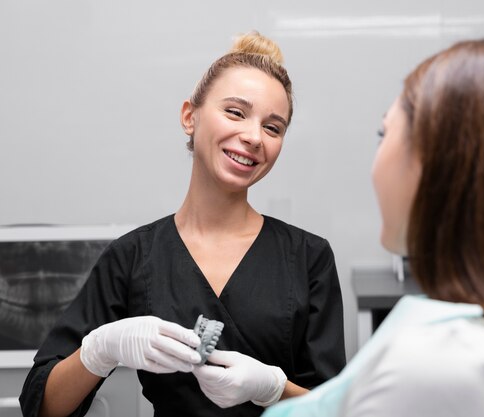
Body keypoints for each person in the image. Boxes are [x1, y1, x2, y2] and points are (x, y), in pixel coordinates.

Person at [262, 37, 484, 417]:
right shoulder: (474, 335)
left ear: (441, 166)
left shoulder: (444, 364)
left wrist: (275, 391)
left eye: (384, 134)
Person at [20, 31, 346, 417]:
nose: (253, 137)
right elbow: (42, 406)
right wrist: (99, 351)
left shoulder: (309, 257)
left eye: (273, 128)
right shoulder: (133, 257)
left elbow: (338, 408)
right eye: (236, 112)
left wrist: (274, 389)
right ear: (190, 117)